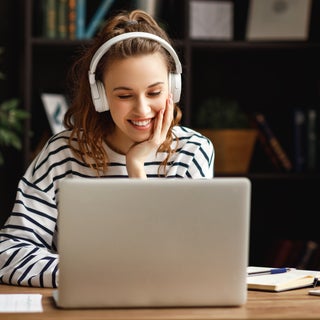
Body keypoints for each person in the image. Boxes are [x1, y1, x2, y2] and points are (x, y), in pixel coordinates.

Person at [0, 9, 214, 288]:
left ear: (173, 89)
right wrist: (92, 276)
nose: (142, 109)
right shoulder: (61, 153)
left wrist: (136, 168)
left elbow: (185, 261)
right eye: (124, 95)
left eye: (154, 93)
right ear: (100, 95)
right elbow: (9, 253)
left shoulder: (192, 151)